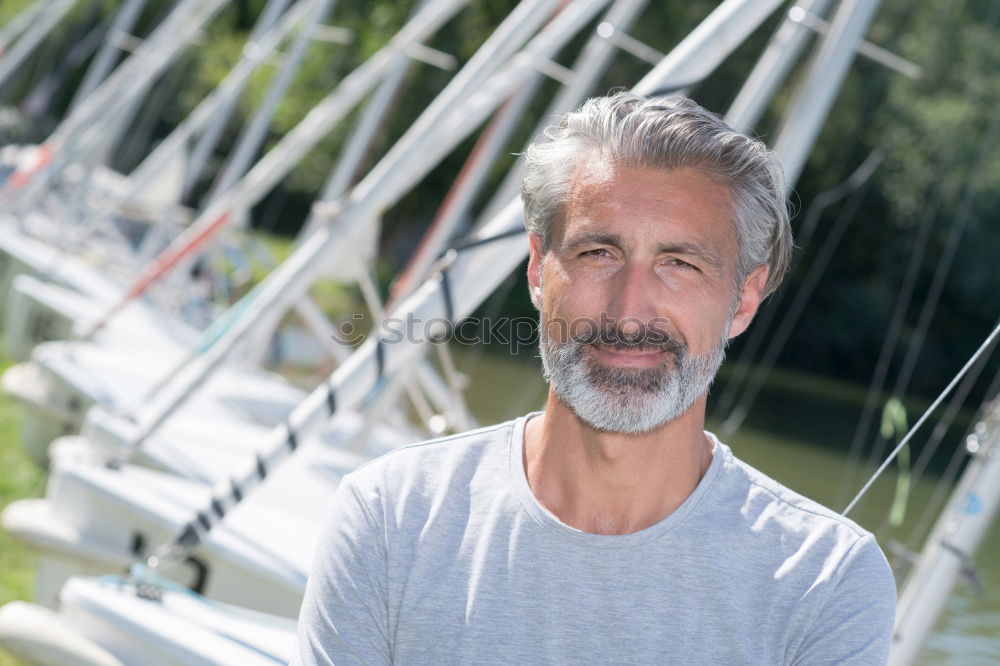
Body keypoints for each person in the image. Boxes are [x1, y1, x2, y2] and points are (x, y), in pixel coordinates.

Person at [292, 92, 896, 665]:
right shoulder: (393, 517)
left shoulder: (826, 583)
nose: (629, 311)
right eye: (597, 254)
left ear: (744, 300)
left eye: (679, 264)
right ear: (537, 269)